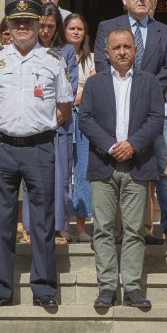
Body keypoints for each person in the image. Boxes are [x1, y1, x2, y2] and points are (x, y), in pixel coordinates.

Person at [0, 0, 73, 309]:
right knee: (1, 220)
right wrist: (2, 123)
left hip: (40, 147)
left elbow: (64, 106)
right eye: (16, 23)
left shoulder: (53, 60)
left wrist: (39, 126)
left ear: (38, 26)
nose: (23, 28)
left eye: (28, 23)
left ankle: (44, 289)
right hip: (3, 147)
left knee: (42, 222)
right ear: (9, 27)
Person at [79, 28, 164, 309]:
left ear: (135, 50)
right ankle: (106, 287)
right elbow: (86, 119)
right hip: (103, 163)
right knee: (102, 228)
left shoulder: (150, 82)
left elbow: (154, 119)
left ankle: (131, 287)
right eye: (116, 48)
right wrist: (110, 145)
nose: (122, 52)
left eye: (127, 46)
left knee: (134, 229)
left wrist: (133, 145)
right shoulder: (94, 84)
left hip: (137, 164)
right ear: (106, 53)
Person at [94, 0, 167, 245]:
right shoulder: (107, 27)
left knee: (155, 167)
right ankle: (117, 229)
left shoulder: (164, 32)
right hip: (114, 108)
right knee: (117, 167)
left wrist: (145, 95)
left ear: (153, 1)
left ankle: (164, 225)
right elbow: (100, 63)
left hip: (152, 112)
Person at [21, 3, 78, 244]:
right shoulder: (25, 50)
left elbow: (70, 88)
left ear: (58, 28)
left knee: (59, 178)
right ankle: (29, 228)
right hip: (30, 126)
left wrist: (51, 118)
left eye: (50, 26)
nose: (45, 31)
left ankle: (56, 228)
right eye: (41, 25)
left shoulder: (65, 52)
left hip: (58, 125)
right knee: (30, 177)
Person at [65, 13, 96, 242]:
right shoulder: (56, 56)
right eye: (72, 28)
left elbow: (93, 89)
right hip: (64, 119)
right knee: (64, 172)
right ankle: (63, 224)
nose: (76, 32)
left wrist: (77, 94)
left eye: (80, 29)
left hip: (84, 120)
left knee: (83, 170)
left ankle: (82, 227)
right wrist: (77, 94)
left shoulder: (91, 59)